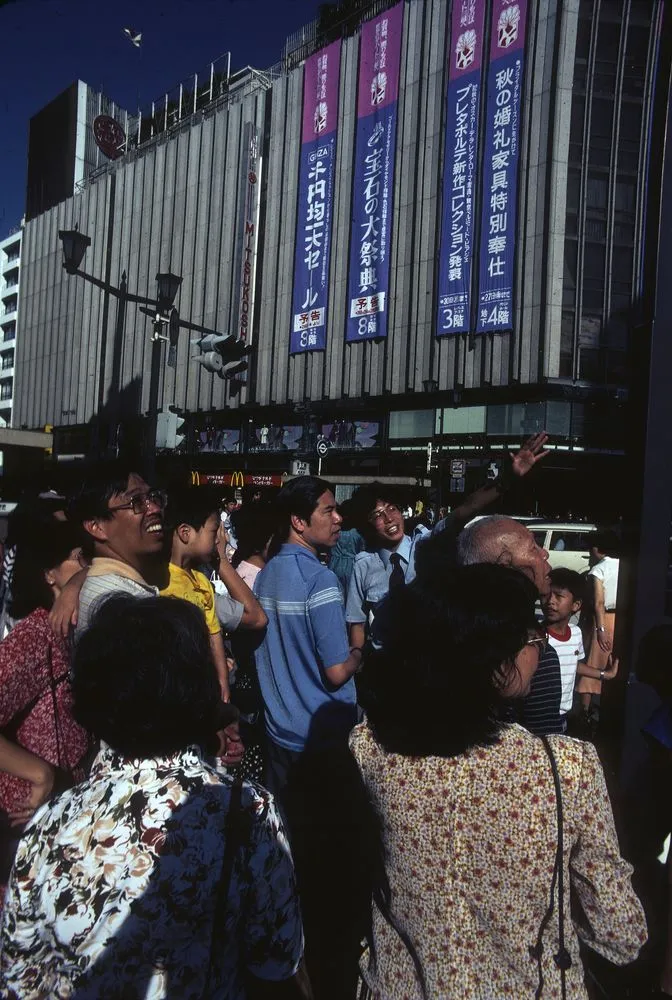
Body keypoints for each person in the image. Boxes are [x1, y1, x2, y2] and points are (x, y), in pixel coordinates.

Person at [351, 564, 647, 1000]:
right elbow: (620, 934)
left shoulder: (370, 747)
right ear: (492, 658)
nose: (540, 648)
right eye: (531, 638)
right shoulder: (568, 767)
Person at [0, 595, 310, 999]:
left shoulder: (49, 823)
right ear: (197, 691)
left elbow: (21, 974)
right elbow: (277, 960)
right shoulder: (247, 812)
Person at [254, 476, 361, 999]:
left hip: (278, 738)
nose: (337, 519)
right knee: (327, 875)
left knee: (289, 860)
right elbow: (338, 671)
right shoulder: (320, 583)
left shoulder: (268, 575)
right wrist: (365, 650)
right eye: (328, 510)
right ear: (300, 521)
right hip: (323, 747)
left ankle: (288, 961)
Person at [346, 432, 549, 647]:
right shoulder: (363, 564)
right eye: (377, 515)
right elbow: (356, 623)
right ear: (367, 524)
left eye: (392, 508)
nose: (388, 518)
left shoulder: (425, 544)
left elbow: (465, 509)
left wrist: (506, 478)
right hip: (384, 661)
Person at [0, 521, 90, 893]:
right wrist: (40, 774)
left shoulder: (73, 631)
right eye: (76, 558)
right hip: (30, 818)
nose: (87, 565)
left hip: (63, 814)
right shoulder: (36, 635)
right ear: (48, 574)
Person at [161, 488, 233, 700]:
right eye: (213, 532)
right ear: (185, 533)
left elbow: (214, 633)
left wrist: (223, 681)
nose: (220, 539)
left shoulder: (201, 581)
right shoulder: (157, 579)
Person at [542, 567, 618, 732]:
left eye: (558, 596)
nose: (550, 601)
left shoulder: (576, 634)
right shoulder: (536, 637)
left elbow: (573, 664)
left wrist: (605, 674)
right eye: (546, 595)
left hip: (563, 716)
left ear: (576, 605)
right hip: (538, 716)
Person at [576, 528, 621, 713]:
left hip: (602, 620)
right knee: (613, 661)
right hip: (619, 618)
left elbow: (598, 602)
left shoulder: (598, 569)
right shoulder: (624, 565)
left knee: (593, 663)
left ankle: (585, 712)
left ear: (597, 549)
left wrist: (600, 630)